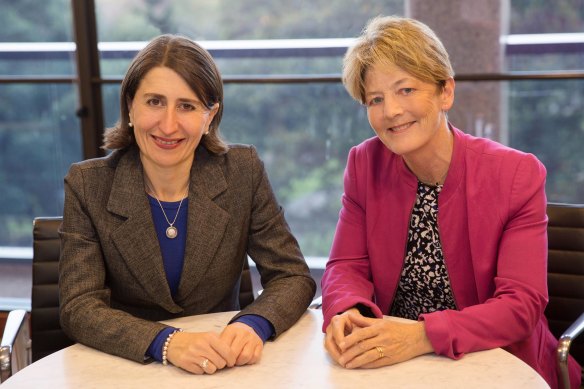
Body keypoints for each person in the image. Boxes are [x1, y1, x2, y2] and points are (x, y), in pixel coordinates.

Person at [321, 15, 581, 388]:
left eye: (406, 90)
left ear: (446, 92)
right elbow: (346, 266)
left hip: (498, 365)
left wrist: (420, 336)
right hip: (397, 367)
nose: (391, 111)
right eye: (375, 99)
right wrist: (349, 312)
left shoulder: (516, 173)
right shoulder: (364, 163)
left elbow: (520, 306)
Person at [59, 34, 316, 375]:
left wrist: (253, 323)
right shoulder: (88, 185)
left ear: (210, 116)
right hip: (127, 368)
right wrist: (165, 341)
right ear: (130, 107)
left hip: (222, 364)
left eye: (187, 106)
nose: (168, 125)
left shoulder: (243, 171)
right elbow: (79, 306)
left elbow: (292, 276)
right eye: (154, 102)